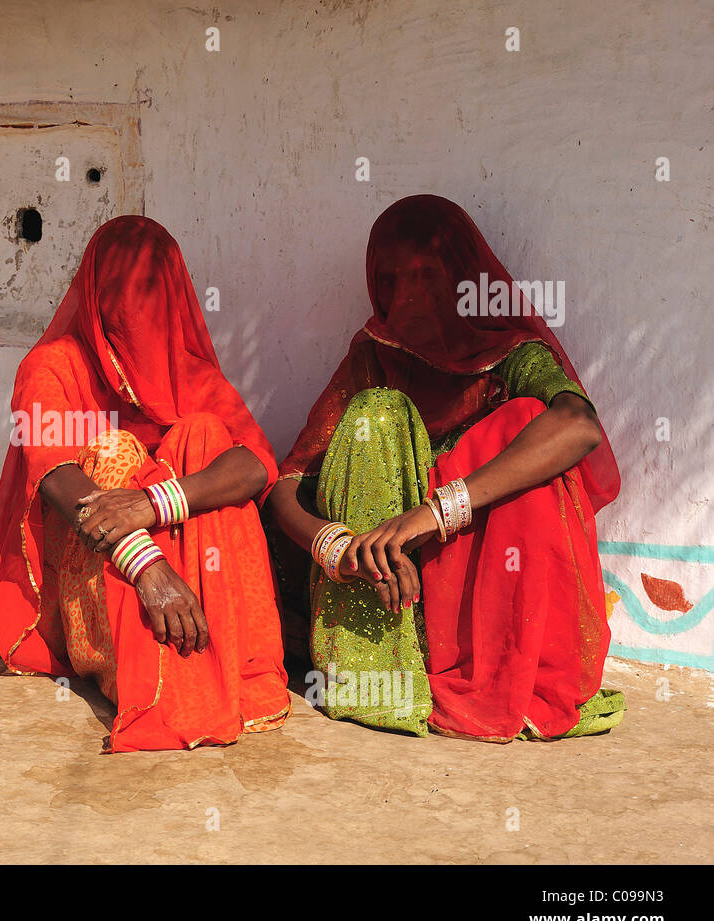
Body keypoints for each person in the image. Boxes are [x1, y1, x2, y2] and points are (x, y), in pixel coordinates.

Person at [267, 194, 625, 742]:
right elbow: (287, 484)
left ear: (466, 280)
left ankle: (499, 668)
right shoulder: (374, 357)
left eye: (427, 276)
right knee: (373, 415)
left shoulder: (510, 354)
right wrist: (336, 548)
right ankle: (378, 669)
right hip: (387, 583)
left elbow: (578, 426)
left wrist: (432, 513)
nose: (407, 296)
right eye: (391, 279)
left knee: (530, 423)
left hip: (474, 589)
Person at [0, 215, 291, 752]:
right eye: (119, 295)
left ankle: (222, 664)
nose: (133, 313)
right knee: (113, 451)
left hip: (166, 548)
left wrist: (153, 503)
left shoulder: (189, 372)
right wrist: (148, 566)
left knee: (206, 437)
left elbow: (257, 464)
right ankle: (164, 676)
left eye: (149, 294)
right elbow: (56, 477)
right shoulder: (51, 366)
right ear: (94, 293)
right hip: (102, 570)